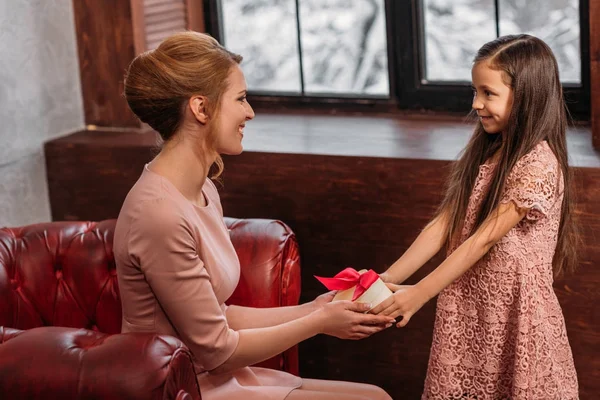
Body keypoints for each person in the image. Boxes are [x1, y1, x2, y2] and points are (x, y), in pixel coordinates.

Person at [114, 31, 394, 400]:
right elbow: (217, 350)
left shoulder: (203, 190)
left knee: (374, 395)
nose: (250, 112)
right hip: (176, 388)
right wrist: (318, 324)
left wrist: (314, 309)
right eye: (241, 98)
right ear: (201, 108)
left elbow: (220, 316)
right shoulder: (158, 216)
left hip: (214, 377)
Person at [372, 34, 579, 399]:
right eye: (475, 91)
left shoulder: (539, 165)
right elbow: (443, 224)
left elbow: (484, 239)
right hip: (470, 311)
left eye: (488, 93)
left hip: (517, 321)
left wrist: (418, 294)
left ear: (527, 96)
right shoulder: (488, 153)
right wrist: (387, 279)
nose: (476, 104)